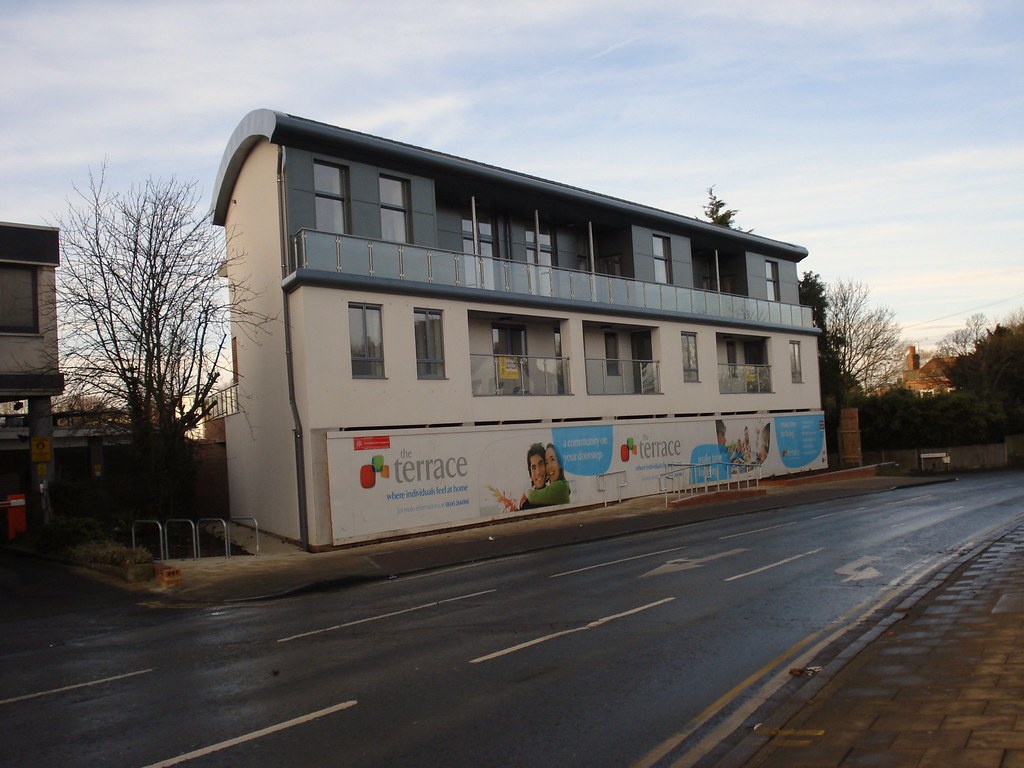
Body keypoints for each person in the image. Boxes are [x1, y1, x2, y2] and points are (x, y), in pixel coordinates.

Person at [521, 443, 571, 507]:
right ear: (530, 474)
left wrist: (526, 492)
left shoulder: (559, 488)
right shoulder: (526, 504)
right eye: (547, 462)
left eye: (541, 464)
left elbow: (533, 496)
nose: (538, 472)